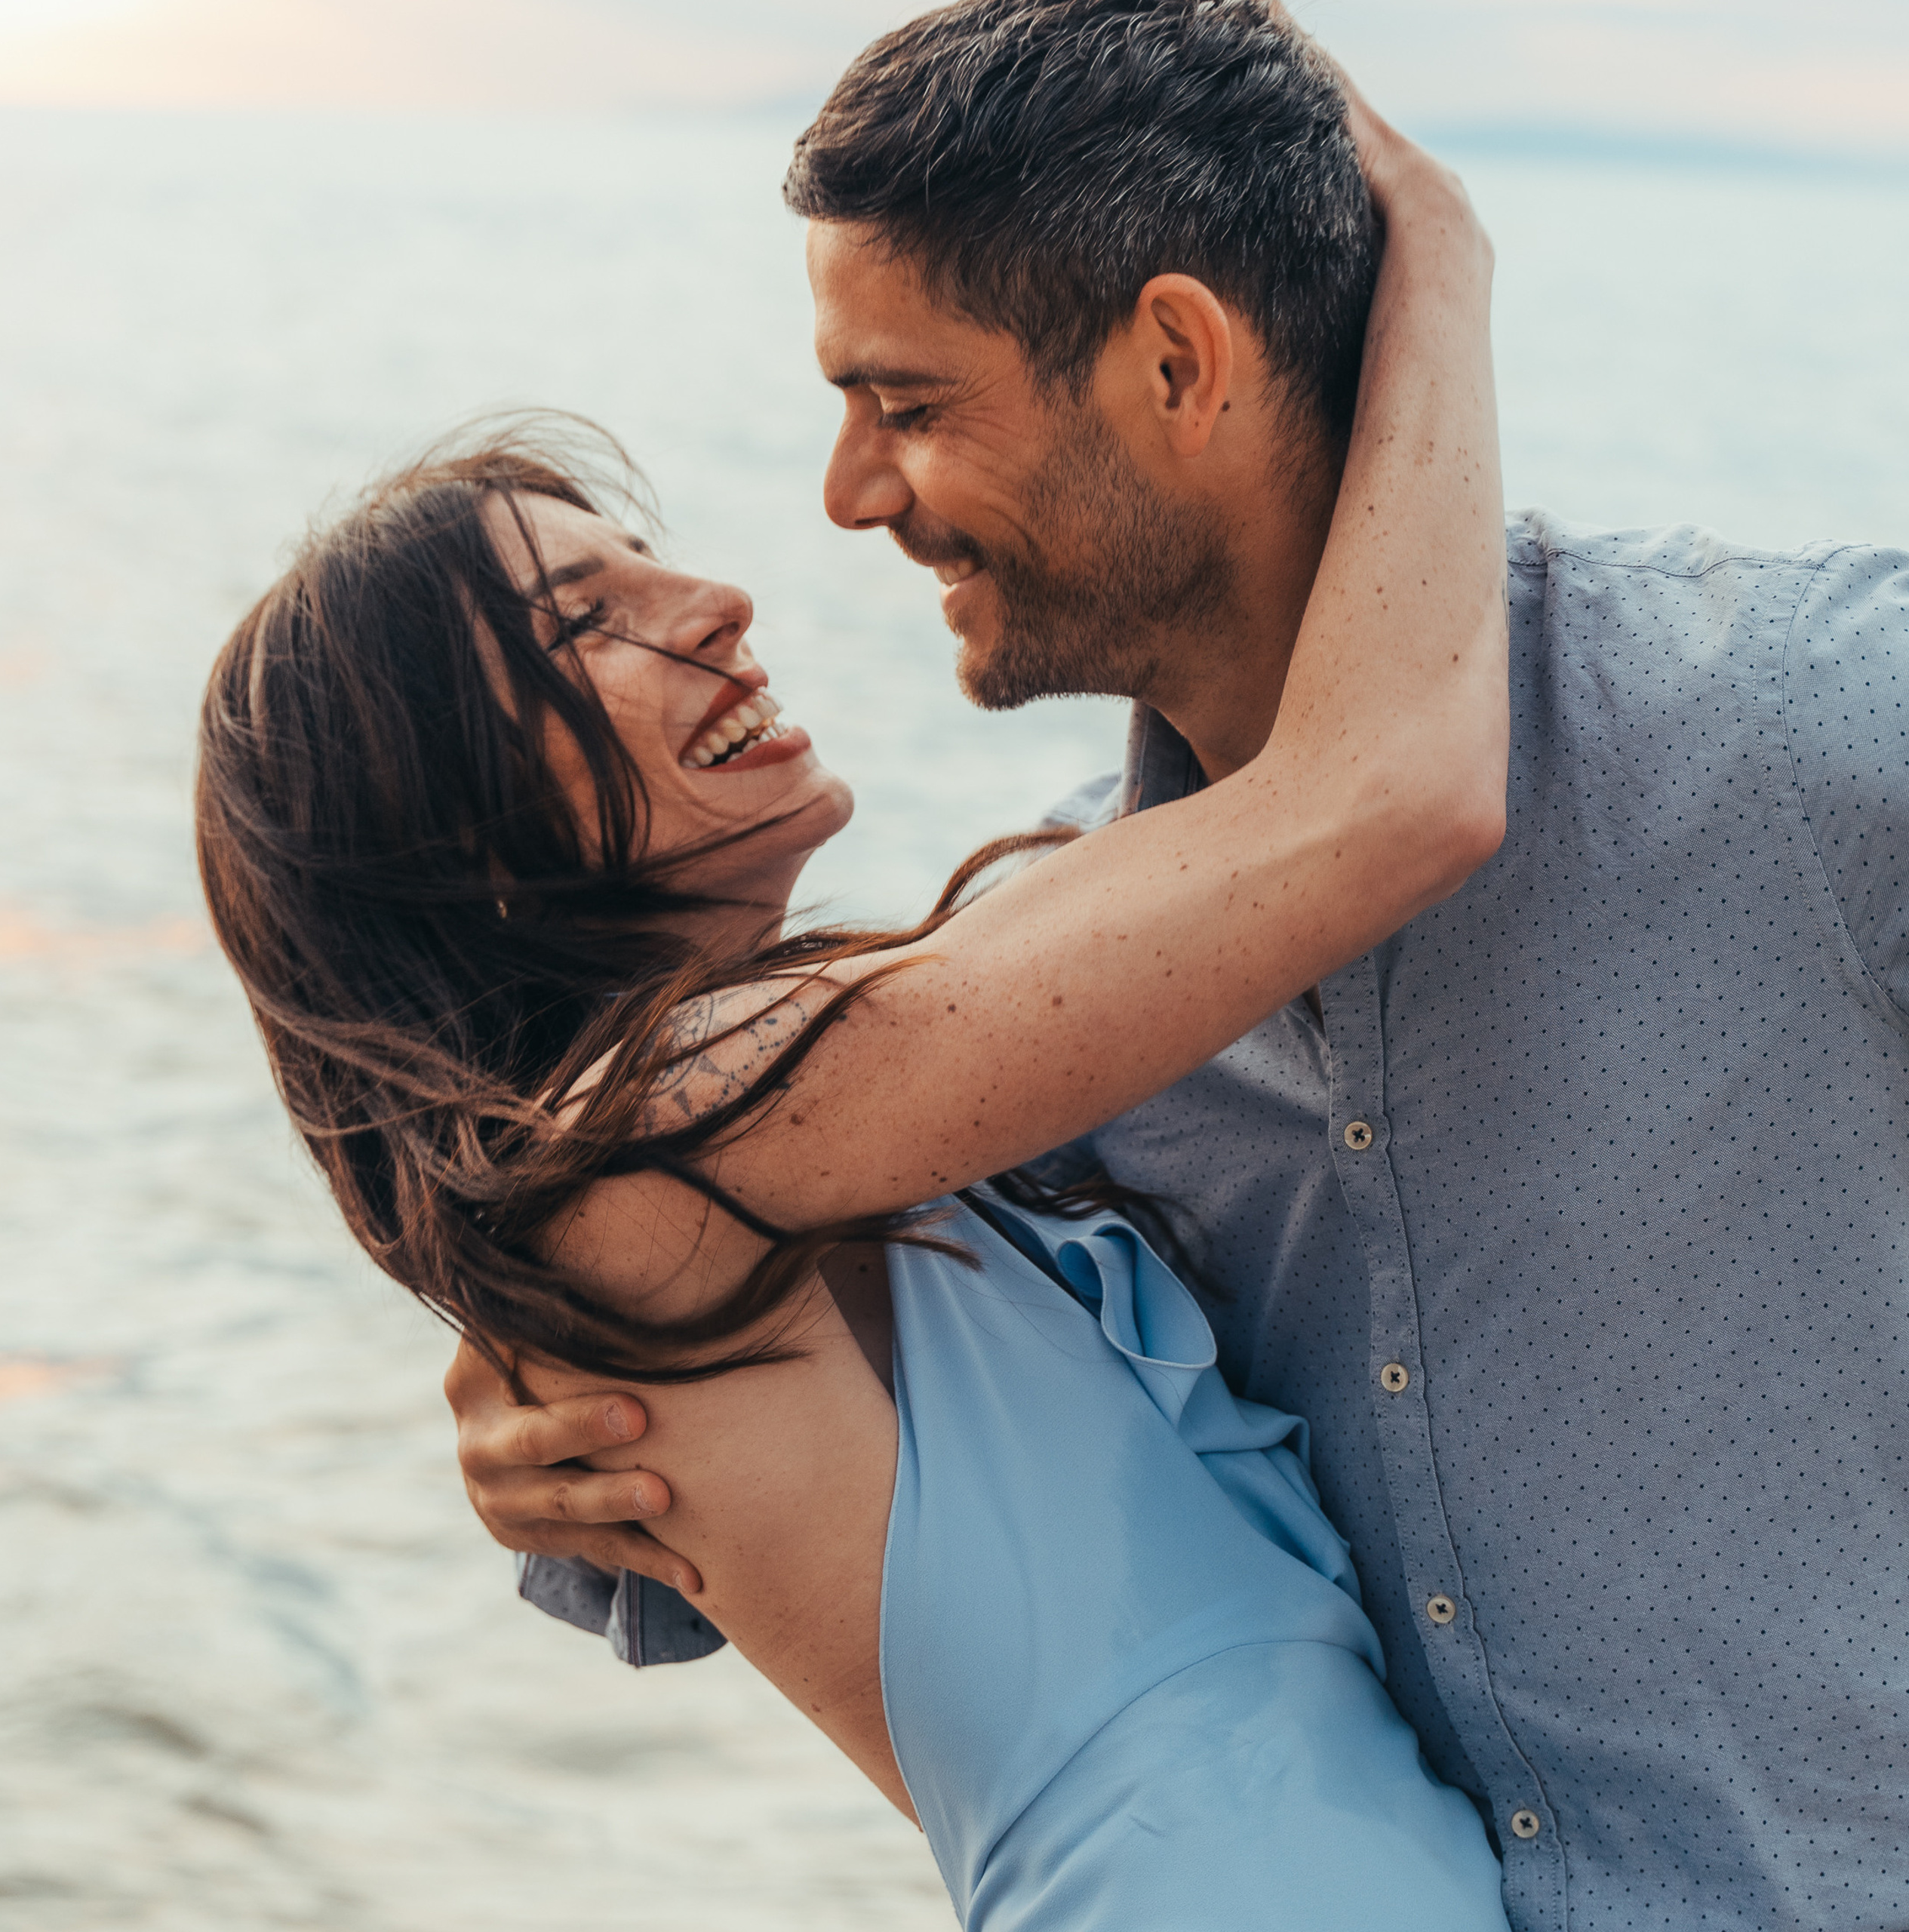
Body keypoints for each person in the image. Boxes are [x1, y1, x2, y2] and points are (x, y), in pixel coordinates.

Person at [468, 5, 1909, 1930]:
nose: (846, 495)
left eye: (903, 403)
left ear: (1172, 359)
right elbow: (845, 1438)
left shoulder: (1796, 730)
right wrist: (534, 1422)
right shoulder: (1043, 976)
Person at [196, 62, 1514, 1931]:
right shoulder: (666, 1136)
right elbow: (1391, 796)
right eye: (587, 627)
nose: (719, 599)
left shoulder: (800, 1112)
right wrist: (1437, 266)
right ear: (470, 840)